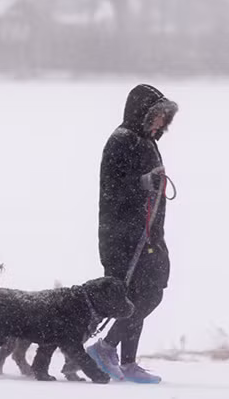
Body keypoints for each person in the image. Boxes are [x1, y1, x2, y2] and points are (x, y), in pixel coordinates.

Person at [84, 84, 178, 384]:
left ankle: (126, 362)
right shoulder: (122, 140)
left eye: (165, 117)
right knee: (136, 297)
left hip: (148, 234)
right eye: (158, 116)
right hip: (122, 236)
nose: (161, 123)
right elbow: (111, 189)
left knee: (150, 292)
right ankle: (100, 349)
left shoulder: (146, 141)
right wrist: (142, 183)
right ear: (142, 113)